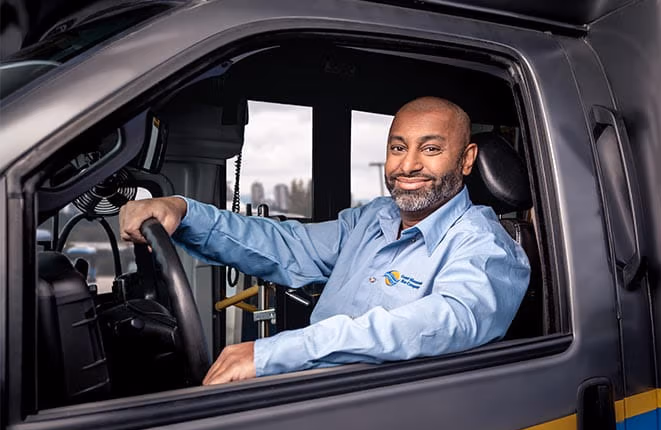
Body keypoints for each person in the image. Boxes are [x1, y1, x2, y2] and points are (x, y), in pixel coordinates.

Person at [119, 96, 530, 385]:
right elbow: (287, 245)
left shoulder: (486, 248)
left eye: (432, 149)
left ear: (468, 158)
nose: (408, 165)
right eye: (397, 147)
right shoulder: (374, 218)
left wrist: (275, 353)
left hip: (394, 426)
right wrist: (185, 211)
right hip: (316, 398)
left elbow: (435, 325)